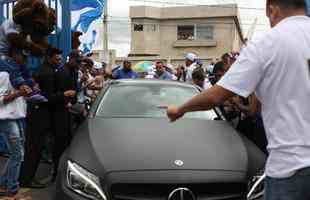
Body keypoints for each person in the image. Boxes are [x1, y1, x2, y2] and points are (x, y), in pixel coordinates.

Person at [167, 0, 310, 199]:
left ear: (271, 8)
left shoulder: (267, 43)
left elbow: (216, 95)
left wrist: (179, 109)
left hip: (291, 168)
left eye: (268, 17)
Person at [20, 48, 75, 187]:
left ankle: (28, 178)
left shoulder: (49, 70)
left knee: (38, 148)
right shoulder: (45, 73)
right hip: (40, 115)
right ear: (48, 58)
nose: (59, 61)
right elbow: (47, 97)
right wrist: (64, 95)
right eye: (57, 59)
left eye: (61, 59)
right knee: (35, 148)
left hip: (46, 115)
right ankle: (27, 179)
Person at [0, 50, 29, 200]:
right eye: (23, 56)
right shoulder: (4, 75)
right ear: (14, 56)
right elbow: (1, 99)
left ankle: (5, 185)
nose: (25, 59)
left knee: (17, 154)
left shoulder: (17, 75)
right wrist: (19, 93)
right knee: (17, 154)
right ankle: (11, 190)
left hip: (17, 117)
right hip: (6, 119)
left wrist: (29, 93)